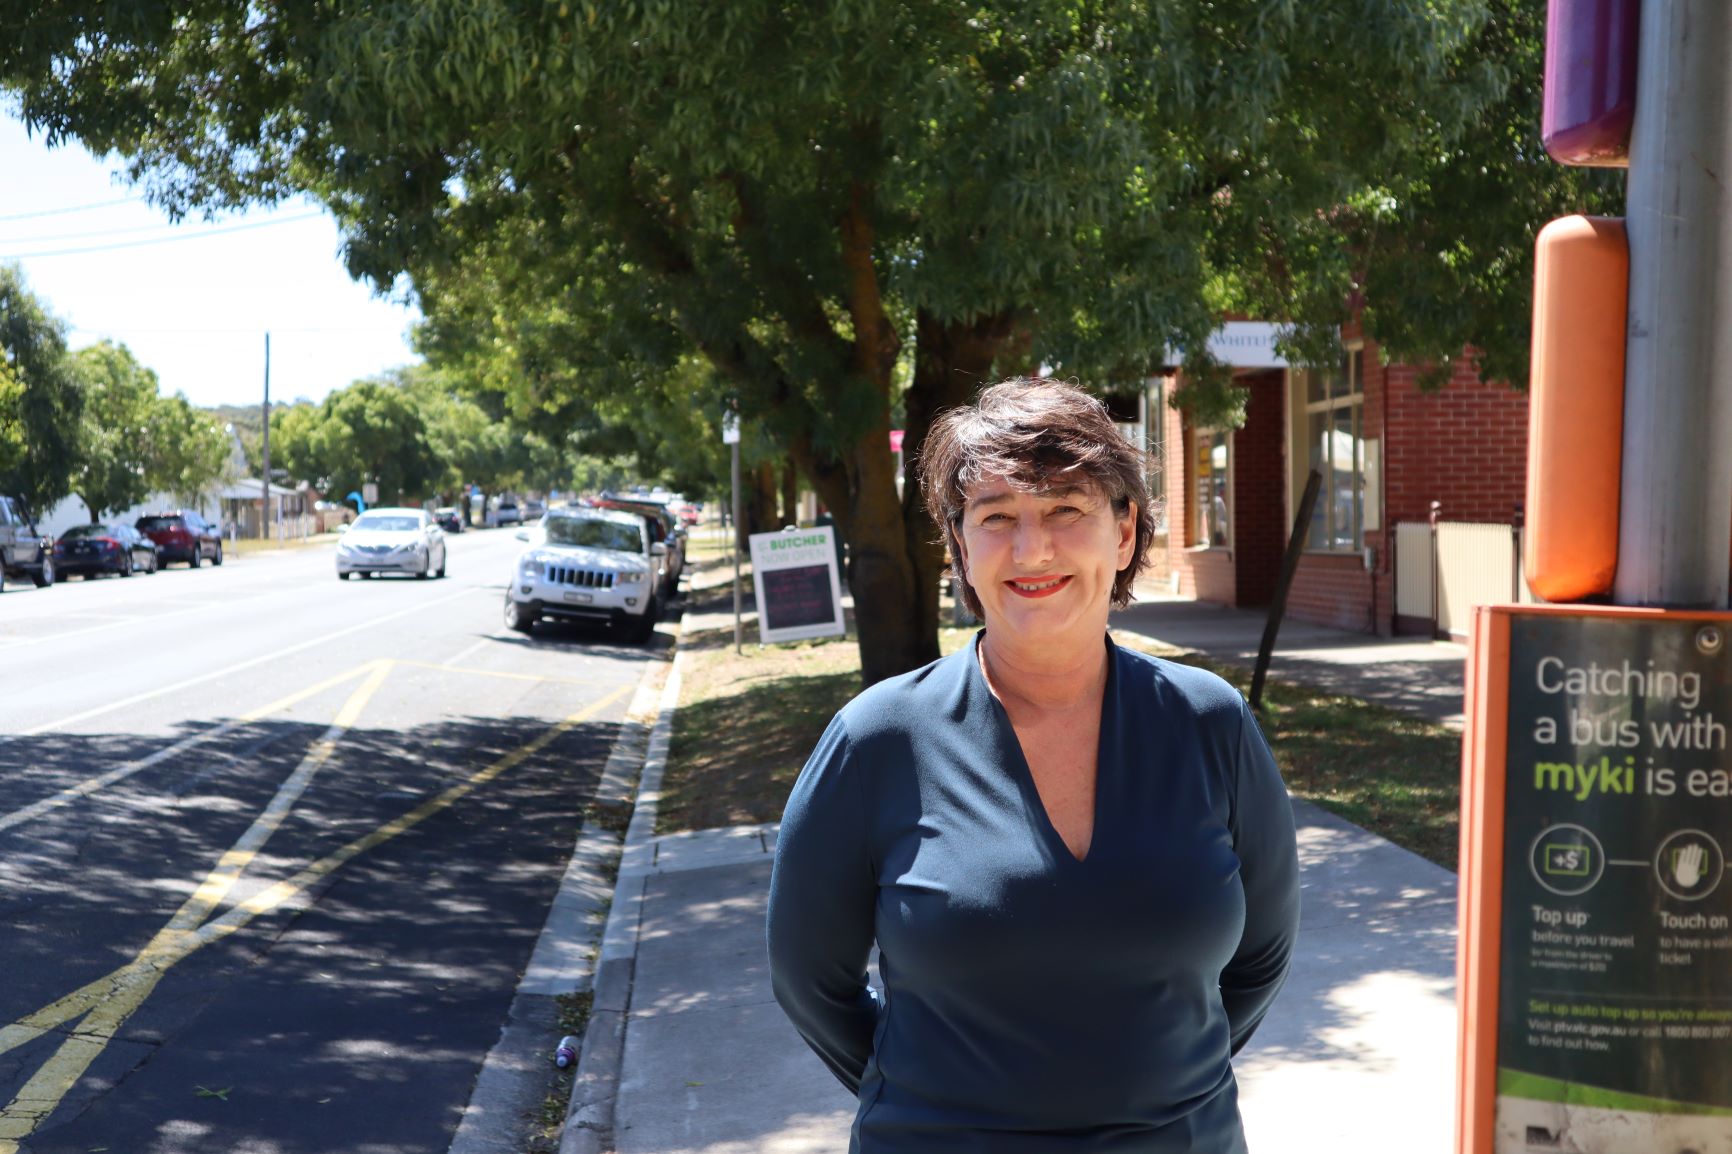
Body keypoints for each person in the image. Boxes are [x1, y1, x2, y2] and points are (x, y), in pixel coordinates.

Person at [767, 378, 1300, 1153]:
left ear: (1123, 534)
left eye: (1065, 510)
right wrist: (935, 1098)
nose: (1032, 549)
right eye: (996, 517)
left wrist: (1161, 1092)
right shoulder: (876, 739)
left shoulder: (1209, 723)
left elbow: (1261, 959)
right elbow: (810, 982)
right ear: (960, 547)